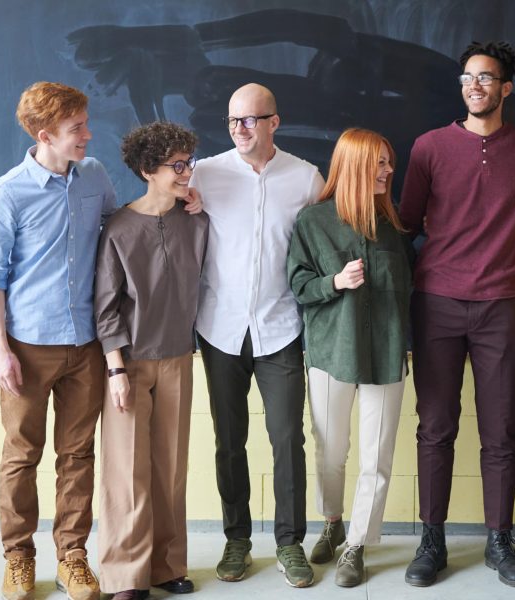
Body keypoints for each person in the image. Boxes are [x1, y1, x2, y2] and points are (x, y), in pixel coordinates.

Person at [0, 81, 202, 600]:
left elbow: (118, 233)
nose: (87, 134)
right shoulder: (7, 193)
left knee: (77, 456)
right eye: (76, 128)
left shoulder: (95, 175)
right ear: (44, 134)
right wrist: (0, 350)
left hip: (87, 345)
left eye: (84, 123)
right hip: (29, 346)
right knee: (21, 453)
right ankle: (18, 556)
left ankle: (73, 556)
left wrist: (181, 195)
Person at [398, 41, 515, 588]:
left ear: (506, 87)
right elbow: (407, 224)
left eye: (486, 78)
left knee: (501, 430)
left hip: (504, 303)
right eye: (468, 78)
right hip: (437, 300)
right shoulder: (429, 146)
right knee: (435, 427)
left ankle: (499, 540)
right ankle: (431, 539)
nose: (475, 86)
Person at [190, 83, 325, 588]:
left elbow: (330, 235)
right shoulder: (205, 173)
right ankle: (237, 539)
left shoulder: (305, 177)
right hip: (220, 328)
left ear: (274, 122)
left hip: (280, 326)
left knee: (288, 438)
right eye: (232, 121)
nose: (240, 130)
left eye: (250, 120)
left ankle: (290, 543)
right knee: (230, 440)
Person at [287, 128, 412, 587]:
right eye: (379, 163)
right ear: (354, 164)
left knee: (377, 456)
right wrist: (334, 283)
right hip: (331, 352)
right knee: (331, 451)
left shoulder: (393, 228)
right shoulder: (313, 222)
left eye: (389, 163)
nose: (387, 171)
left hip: (385, 355)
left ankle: (357, 544)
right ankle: (333, 520)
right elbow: (299, 285)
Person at [94, 122, 208, 600]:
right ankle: (125, 575)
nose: (187, 173)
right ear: (148, 170)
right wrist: (117, 369)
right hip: (131, 364)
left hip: (179, 357)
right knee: (127, 471)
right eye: (177, 166)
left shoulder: (196, 218)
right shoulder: (119, 228)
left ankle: (166, 565)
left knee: (169, 468)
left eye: (188, 163)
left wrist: (196, 200)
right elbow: (105, 307)